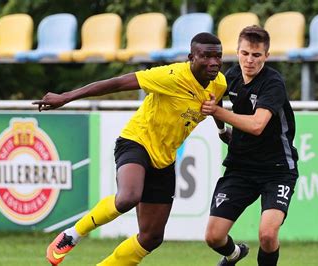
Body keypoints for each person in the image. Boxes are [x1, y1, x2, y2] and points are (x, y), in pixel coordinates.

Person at [33, 32, 226, 266]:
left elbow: (216, 100)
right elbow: (117, 83)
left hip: (164, 159)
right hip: (136, 141)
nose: (214, 62)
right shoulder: (171, 76)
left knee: (151, 237)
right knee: (128, 197)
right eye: (206, 56)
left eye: (218, 56)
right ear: (191, 57)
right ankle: (71, 235)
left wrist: (222, 130)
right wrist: (66, 97)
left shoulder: (219, 82)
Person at [201, 25, 299, 266]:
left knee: (267, 234)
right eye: (245, 53)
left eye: (256, 55)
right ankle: (234, 254)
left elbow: (257, 125)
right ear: (237, 52)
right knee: (213, 237)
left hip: (277, 170)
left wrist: (218, 113)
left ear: (266, 56)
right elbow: (213, 101)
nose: (249, 60)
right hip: (240, 167)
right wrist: (222, 129)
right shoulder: (230, 76)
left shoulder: (273, 83)